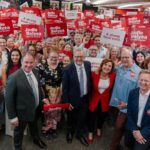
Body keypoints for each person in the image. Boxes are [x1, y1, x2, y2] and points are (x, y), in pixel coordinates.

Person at [5, 53, 47, 150]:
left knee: (34, 127)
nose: (28, 65)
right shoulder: (14, 77)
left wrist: (42, 99)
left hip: (35, 109)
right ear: (22, 62)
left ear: (34, 63)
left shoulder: (36, 72)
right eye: (26, 62)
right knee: (19, 132)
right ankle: (17, 147)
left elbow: (37, 88)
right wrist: (12, 117)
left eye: (31, 62)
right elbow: (9, 98)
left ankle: (36, 139)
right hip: (21, 113)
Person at [109, 47, 141, 150]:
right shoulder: (119, 68)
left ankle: (113, 147)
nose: (124, 59)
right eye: (122, 57)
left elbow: (139, 94)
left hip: (126, 107)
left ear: (132, 57)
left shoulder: (138, 72)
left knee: (119, 127)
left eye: (127, 57)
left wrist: (127, 105)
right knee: (118, 127)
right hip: (115, 104)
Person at [62, 48, 91, 146]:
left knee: (82, 118)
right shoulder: (67, 69)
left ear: (84, 57)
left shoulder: (88, 65)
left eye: (81, 56)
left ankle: (79, 134)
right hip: (72, 100)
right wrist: (66, 103)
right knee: (70, 118)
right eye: (77, 56)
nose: (79, 58)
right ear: (73, 57)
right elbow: (65, 88)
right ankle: (70, 132)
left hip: (84, 98)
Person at [88, 59, 116, 144]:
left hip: (105, 101)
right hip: (94, 99)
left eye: (109, 66)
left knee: (102, 117)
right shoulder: (94, 74)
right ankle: (90, 132)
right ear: (102, 65)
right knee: (92, 117)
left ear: (111, 68)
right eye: (105, 65)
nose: (107, 67)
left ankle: (99, 128)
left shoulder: (113, 76)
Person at [37, 50, 63, 139]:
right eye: (52, 57)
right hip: (45, 92)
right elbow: (39, 82)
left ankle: (53, 128)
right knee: (47, 112)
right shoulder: (42, 66)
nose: (54, 59)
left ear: (58, 58)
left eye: (56, 57)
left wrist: (59, 96)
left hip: (57, 93)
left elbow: (63, 82)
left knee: (55, 111)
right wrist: (44, 97)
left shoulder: (61, 66)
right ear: (48, 57)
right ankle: (46, 129)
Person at [125, 70, 150, 150]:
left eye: (146, 80)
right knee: (127, 143)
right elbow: (129, 113)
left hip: (146, 130)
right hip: (133, 127)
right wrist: (134, 130)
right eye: (141, 80)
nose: (142, 82)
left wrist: (142, 133)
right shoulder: (133, 93)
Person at [2, 49, 22, 136]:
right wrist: (13, 92)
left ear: (20, 56)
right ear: (10, 56)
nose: (15, 57)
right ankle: (11, 131)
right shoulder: (5, 67)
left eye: (17, 55)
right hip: (10, 94)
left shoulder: (22, 67)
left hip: (21, 93)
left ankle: (21, 129)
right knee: (11, 112)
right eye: (13, 55)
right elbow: (4, 83)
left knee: (20, 112)